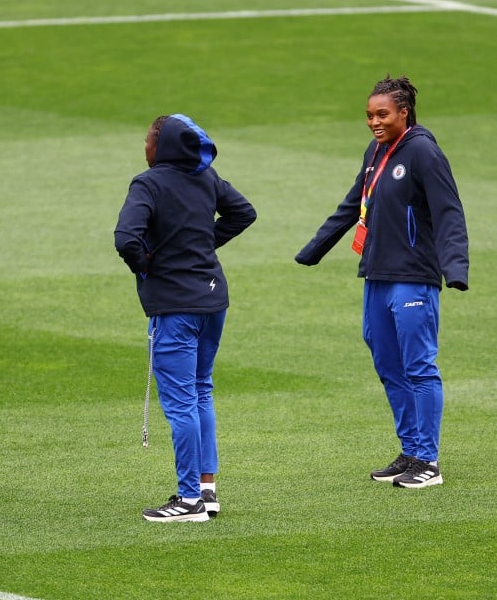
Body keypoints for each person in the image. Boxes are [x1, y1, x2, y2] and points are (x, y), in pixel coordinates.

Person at [296, 75, 469, 488]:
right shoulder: (376, 151)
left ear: (403, 113)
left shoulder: (424, 152)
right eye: (369, 115)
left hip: (413, 278)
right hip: (376, 276)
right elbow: (353, 204)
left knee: (419, 367)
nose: (374, 121)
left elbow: (449, 212)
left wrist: (456, 268)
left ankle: (428, 461)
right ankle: (410, 451)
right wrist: (313, 249)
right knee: (388, 364)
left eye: (382, 114)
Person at [115, 114, 256, 522]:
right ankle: (207, 491)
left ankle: (189, 498)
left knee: (180, 403)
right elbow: (243, 212)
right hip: (213, 301)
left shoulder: (149, 183)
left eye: (147, 139)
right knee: (200, 391)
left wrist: (147, 266)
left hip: (175, 308)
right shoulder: (206, 177)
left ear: (161, 146)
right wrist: (203, 242)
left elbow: (126, 238)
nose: (144, 146)